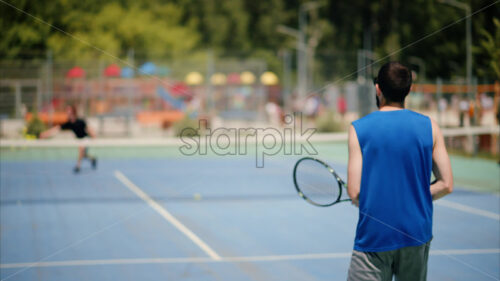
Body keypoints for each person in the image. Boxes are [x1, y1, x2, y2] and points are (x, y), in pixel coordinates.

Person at [347, 62, 453, 281]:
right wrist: (416, 196)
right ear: (408, 90)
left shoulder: (359, 128)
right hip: (416, 233)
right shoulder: (430, 126)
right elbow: (446, 184)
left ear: (378, 89)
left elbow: (355, 191)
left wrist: (369, 199)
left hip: (374, 237)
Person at [40, 105, 97, 173]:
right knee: (83, 155)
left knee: (81, 149)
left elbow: (89, 129)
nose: (67, 112)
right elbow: (56, 129)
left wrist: (93, 136)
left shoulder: (80, 121)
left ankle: (78, 166)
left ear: (73, 112)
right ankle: (92, 159)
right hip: (78, 140)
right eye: (67, 110)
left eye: (69, 110)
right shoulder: (69, 123)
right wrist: (45, 134)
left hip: (85, 139)